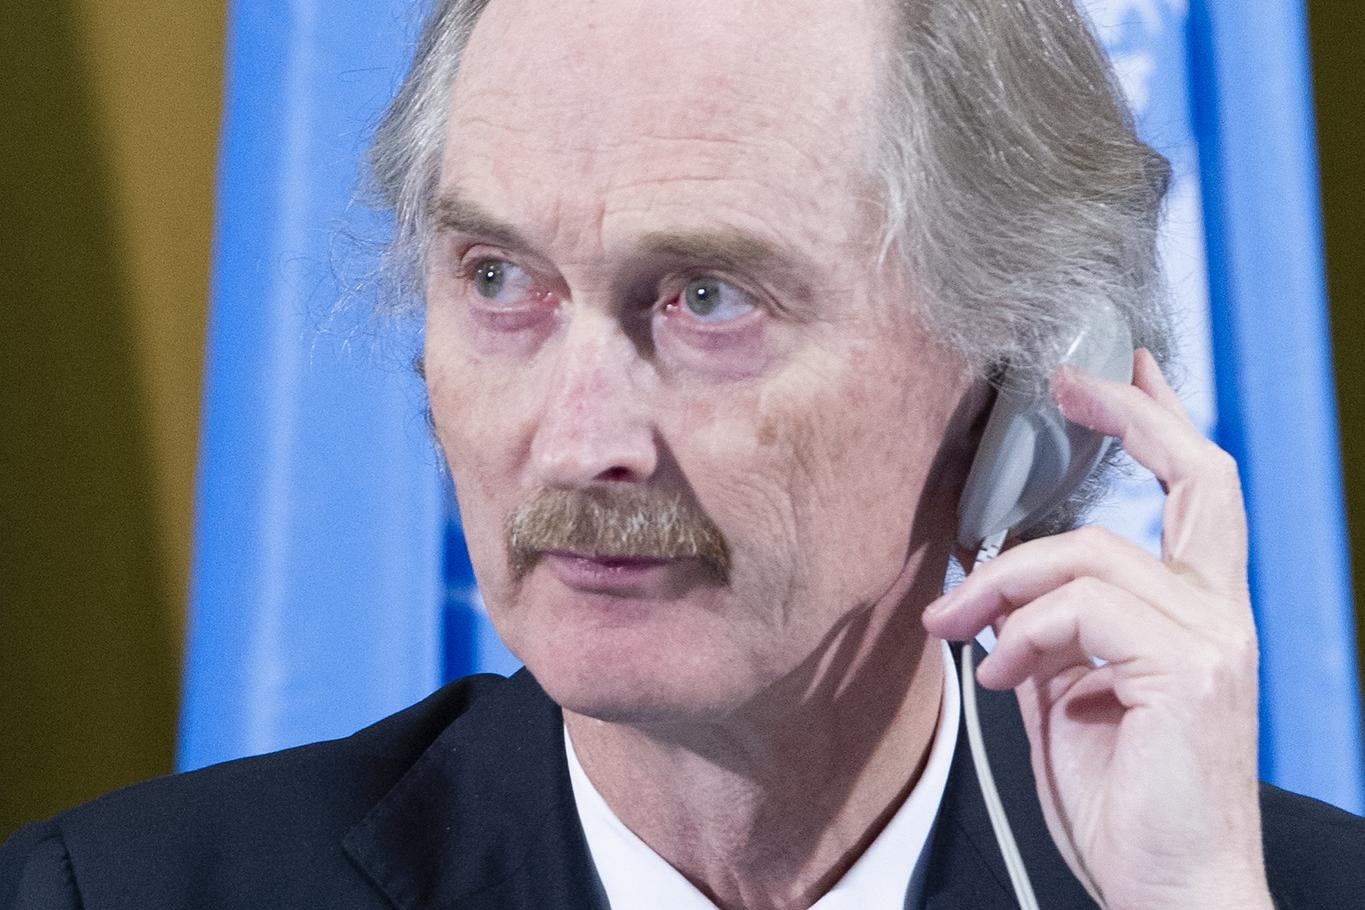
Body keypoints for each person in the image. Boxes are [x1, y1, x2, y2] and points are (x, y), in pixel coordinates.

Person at [4, 0, 1363, 907]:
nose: (577, 442)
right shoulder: (116, 895)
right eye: (498, 280)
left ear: (1016, 389)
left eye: (709, 299)